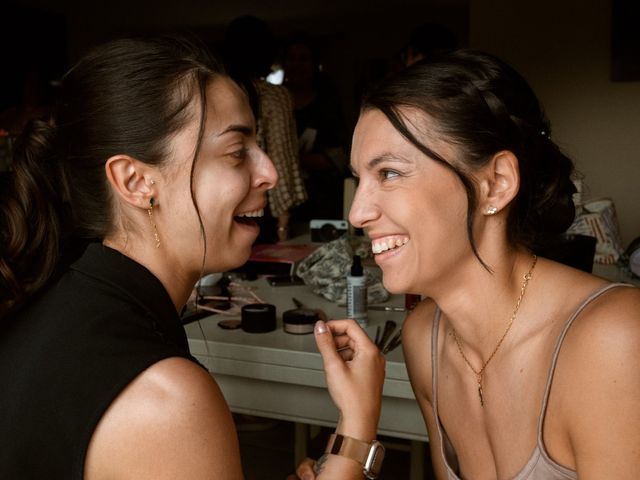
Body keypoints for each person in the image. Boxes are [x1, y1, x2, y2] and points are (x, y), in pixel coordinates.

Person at [0, 35, 384, 479]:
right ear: (136, 181)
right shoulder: (165, 399)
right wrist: (354, 437)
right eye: (237, 152)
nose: (270, 172)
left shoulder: (59, 294)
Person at [295, 49, 640, 479]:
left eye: (389, 173)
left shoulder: (614, 339)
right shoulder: (425, 336)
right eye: (359, 178)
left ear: (495, 185)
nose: (358, 213)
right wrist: (351, 439)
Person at [223, 15, 307, 243]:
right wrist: (283, 226)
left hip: (222, 200)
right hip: (262, 207)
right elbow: (282, 159)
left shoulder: (216, 94)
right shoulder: (276, 96)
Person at [283, 34, 350, 231]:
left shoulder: (328, 104)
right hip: (283, 205)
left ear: (314, 64)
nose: (297, 65)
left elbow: (339, 156)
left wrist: (292, 160)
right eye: (291, 59)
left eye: (303, 59)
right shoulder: (273, 103)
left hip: (324, 204)